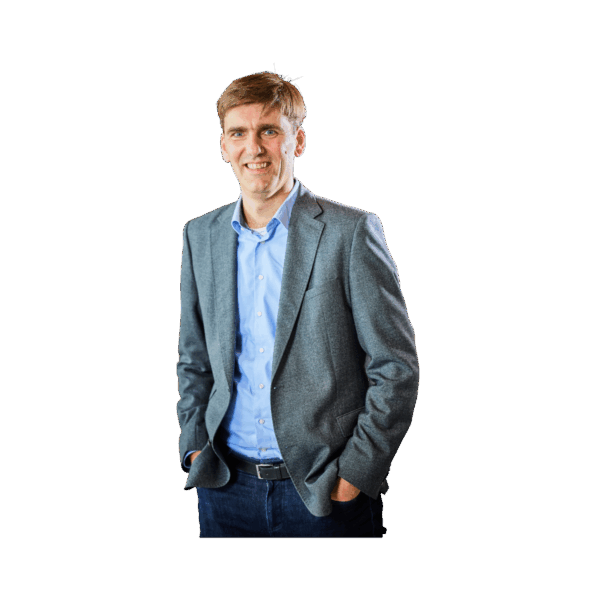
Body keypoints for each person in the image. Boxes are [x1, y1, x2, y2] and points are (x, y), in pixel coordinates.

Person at [176, 71, 419, 538]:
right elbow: (193, 357)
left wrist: (355, 474)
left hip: (322, 493)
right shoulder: (199, 235)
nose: (254, 147)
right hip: (224, 488)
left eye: (269, 130)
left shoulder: (351, 232)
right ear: (224, 146)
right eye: (238, 133)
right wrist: (194, 445)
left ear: (298, 141)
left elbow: (395, 366)